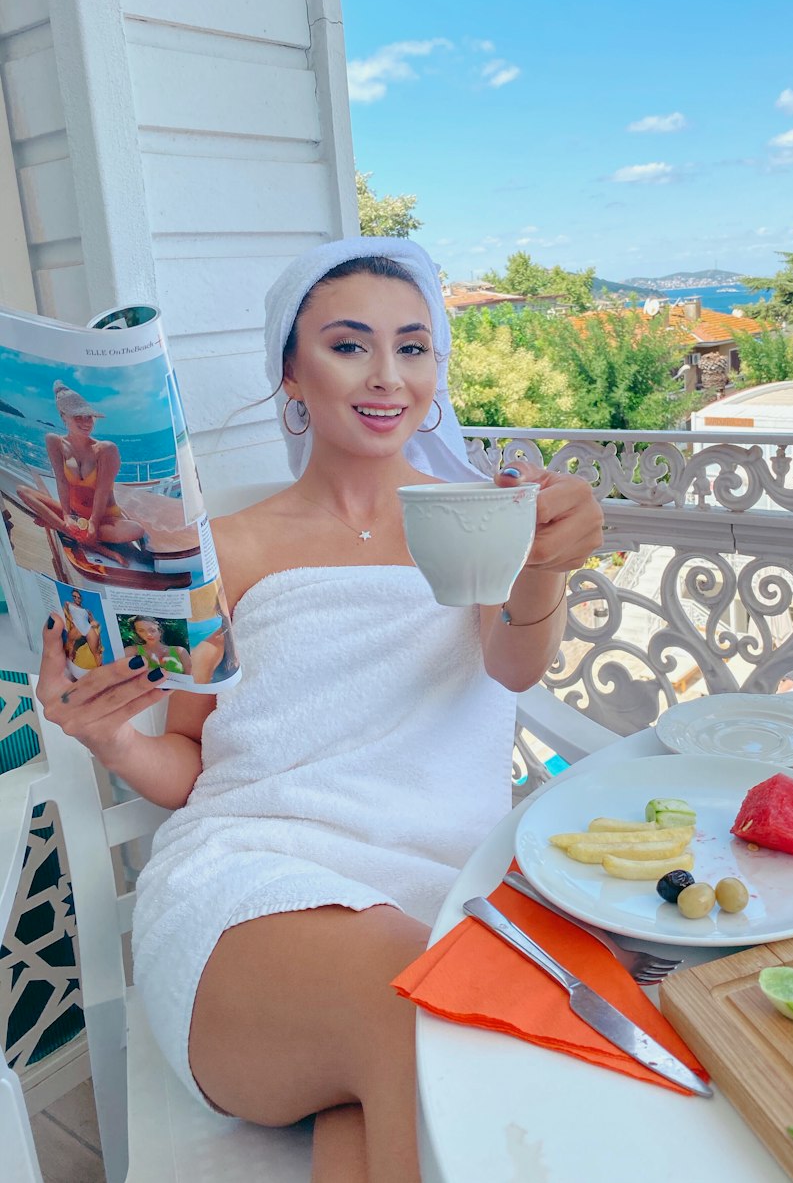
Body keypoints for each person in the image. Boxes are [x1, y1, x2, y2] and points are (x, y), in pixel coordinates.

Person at [35, 237, 604, 1183]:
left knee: (388, 1083)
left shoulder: (475, 512)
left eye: (414, 347)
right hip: (249, 889)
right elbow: (189, 768)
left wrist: (541, 564)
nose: (388, 377)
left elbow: (513, 667)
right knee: (415, 1002)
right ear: (292, 374)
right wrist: (107, 737)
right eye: (350, 346)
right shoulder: (225, 551)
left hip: (443, 885)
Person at [16, 381, 145, 550]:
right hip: (75, 515)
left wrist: (93, 523)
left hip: (105, 519)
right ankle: (69, 530)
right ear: (63, 416)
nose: (86, 422)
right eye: (78, 417)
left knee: (136, 530)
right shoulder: (54, 441)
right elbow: (61, 481)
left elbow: (102, 490)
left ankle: (68, 530)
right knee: (22, 491)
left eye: (88, 417)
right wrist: (67, 516)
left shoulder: (105, 449)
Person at [125, 614, 193, 676]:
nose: (148, 634)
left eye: (152, 630)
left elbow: (191, 678)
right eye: (141, 631)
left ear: (160, 631)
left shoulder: (180, 651)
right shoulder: (132, 651)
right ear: (137, 633)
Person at [62, 588, 104, 673]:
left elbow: (93, 621)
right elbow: (66, 614)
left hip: (87, 628)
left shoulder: (87, 611)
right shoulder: (68, 603)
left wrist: (95, 624)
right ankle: (68, 671)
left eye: (78, 597)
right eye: (75, 597)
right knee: (70, 648)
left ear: (81, 598)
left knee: (96, 653)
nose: (77, 599)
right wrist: (70, 622)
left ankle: (100, 672)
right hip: (76, 627)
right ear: (72, 597)